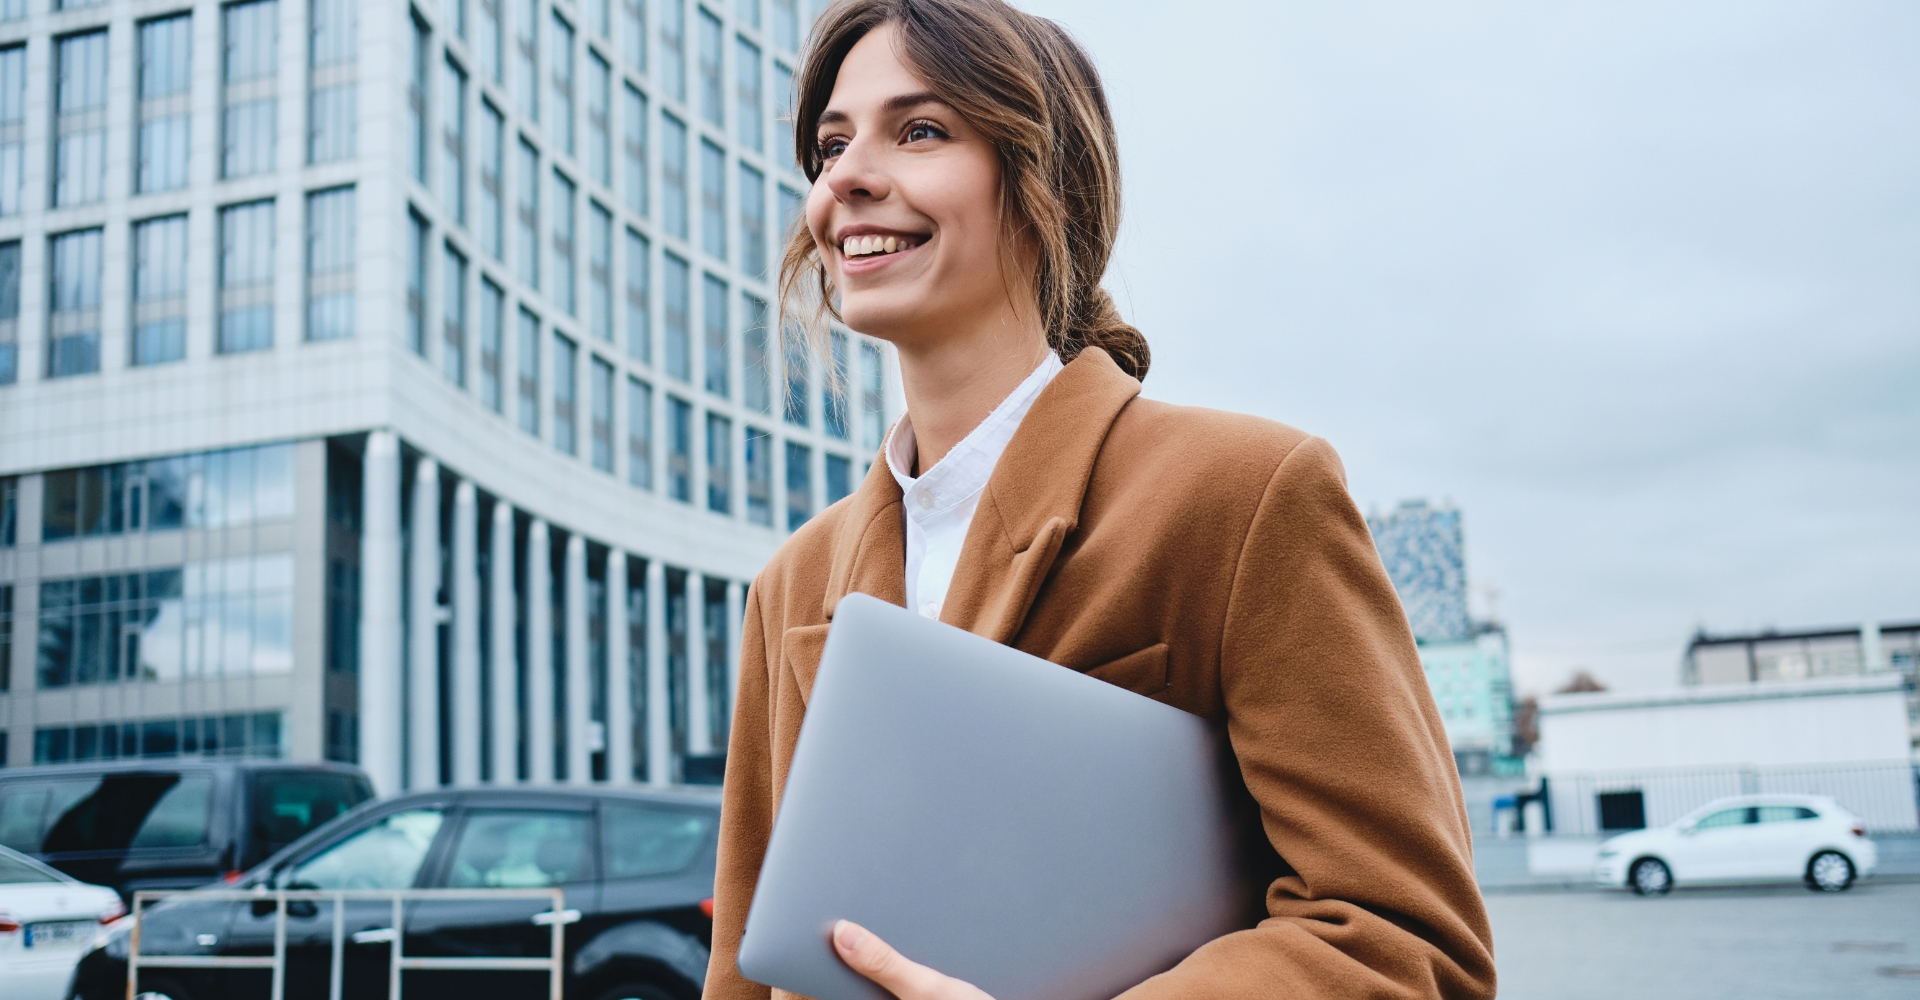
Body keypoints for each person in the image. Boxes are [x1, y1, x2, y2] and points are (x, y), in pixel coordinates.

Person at [706, 0, 1497, 997]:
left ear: (1047, 184)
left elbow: (1404, 937)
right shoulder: (792, 584)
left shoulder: (1246, 495)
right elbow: (742, 972)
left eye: (920, 130)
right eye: (829, 146)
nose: (847, 178)